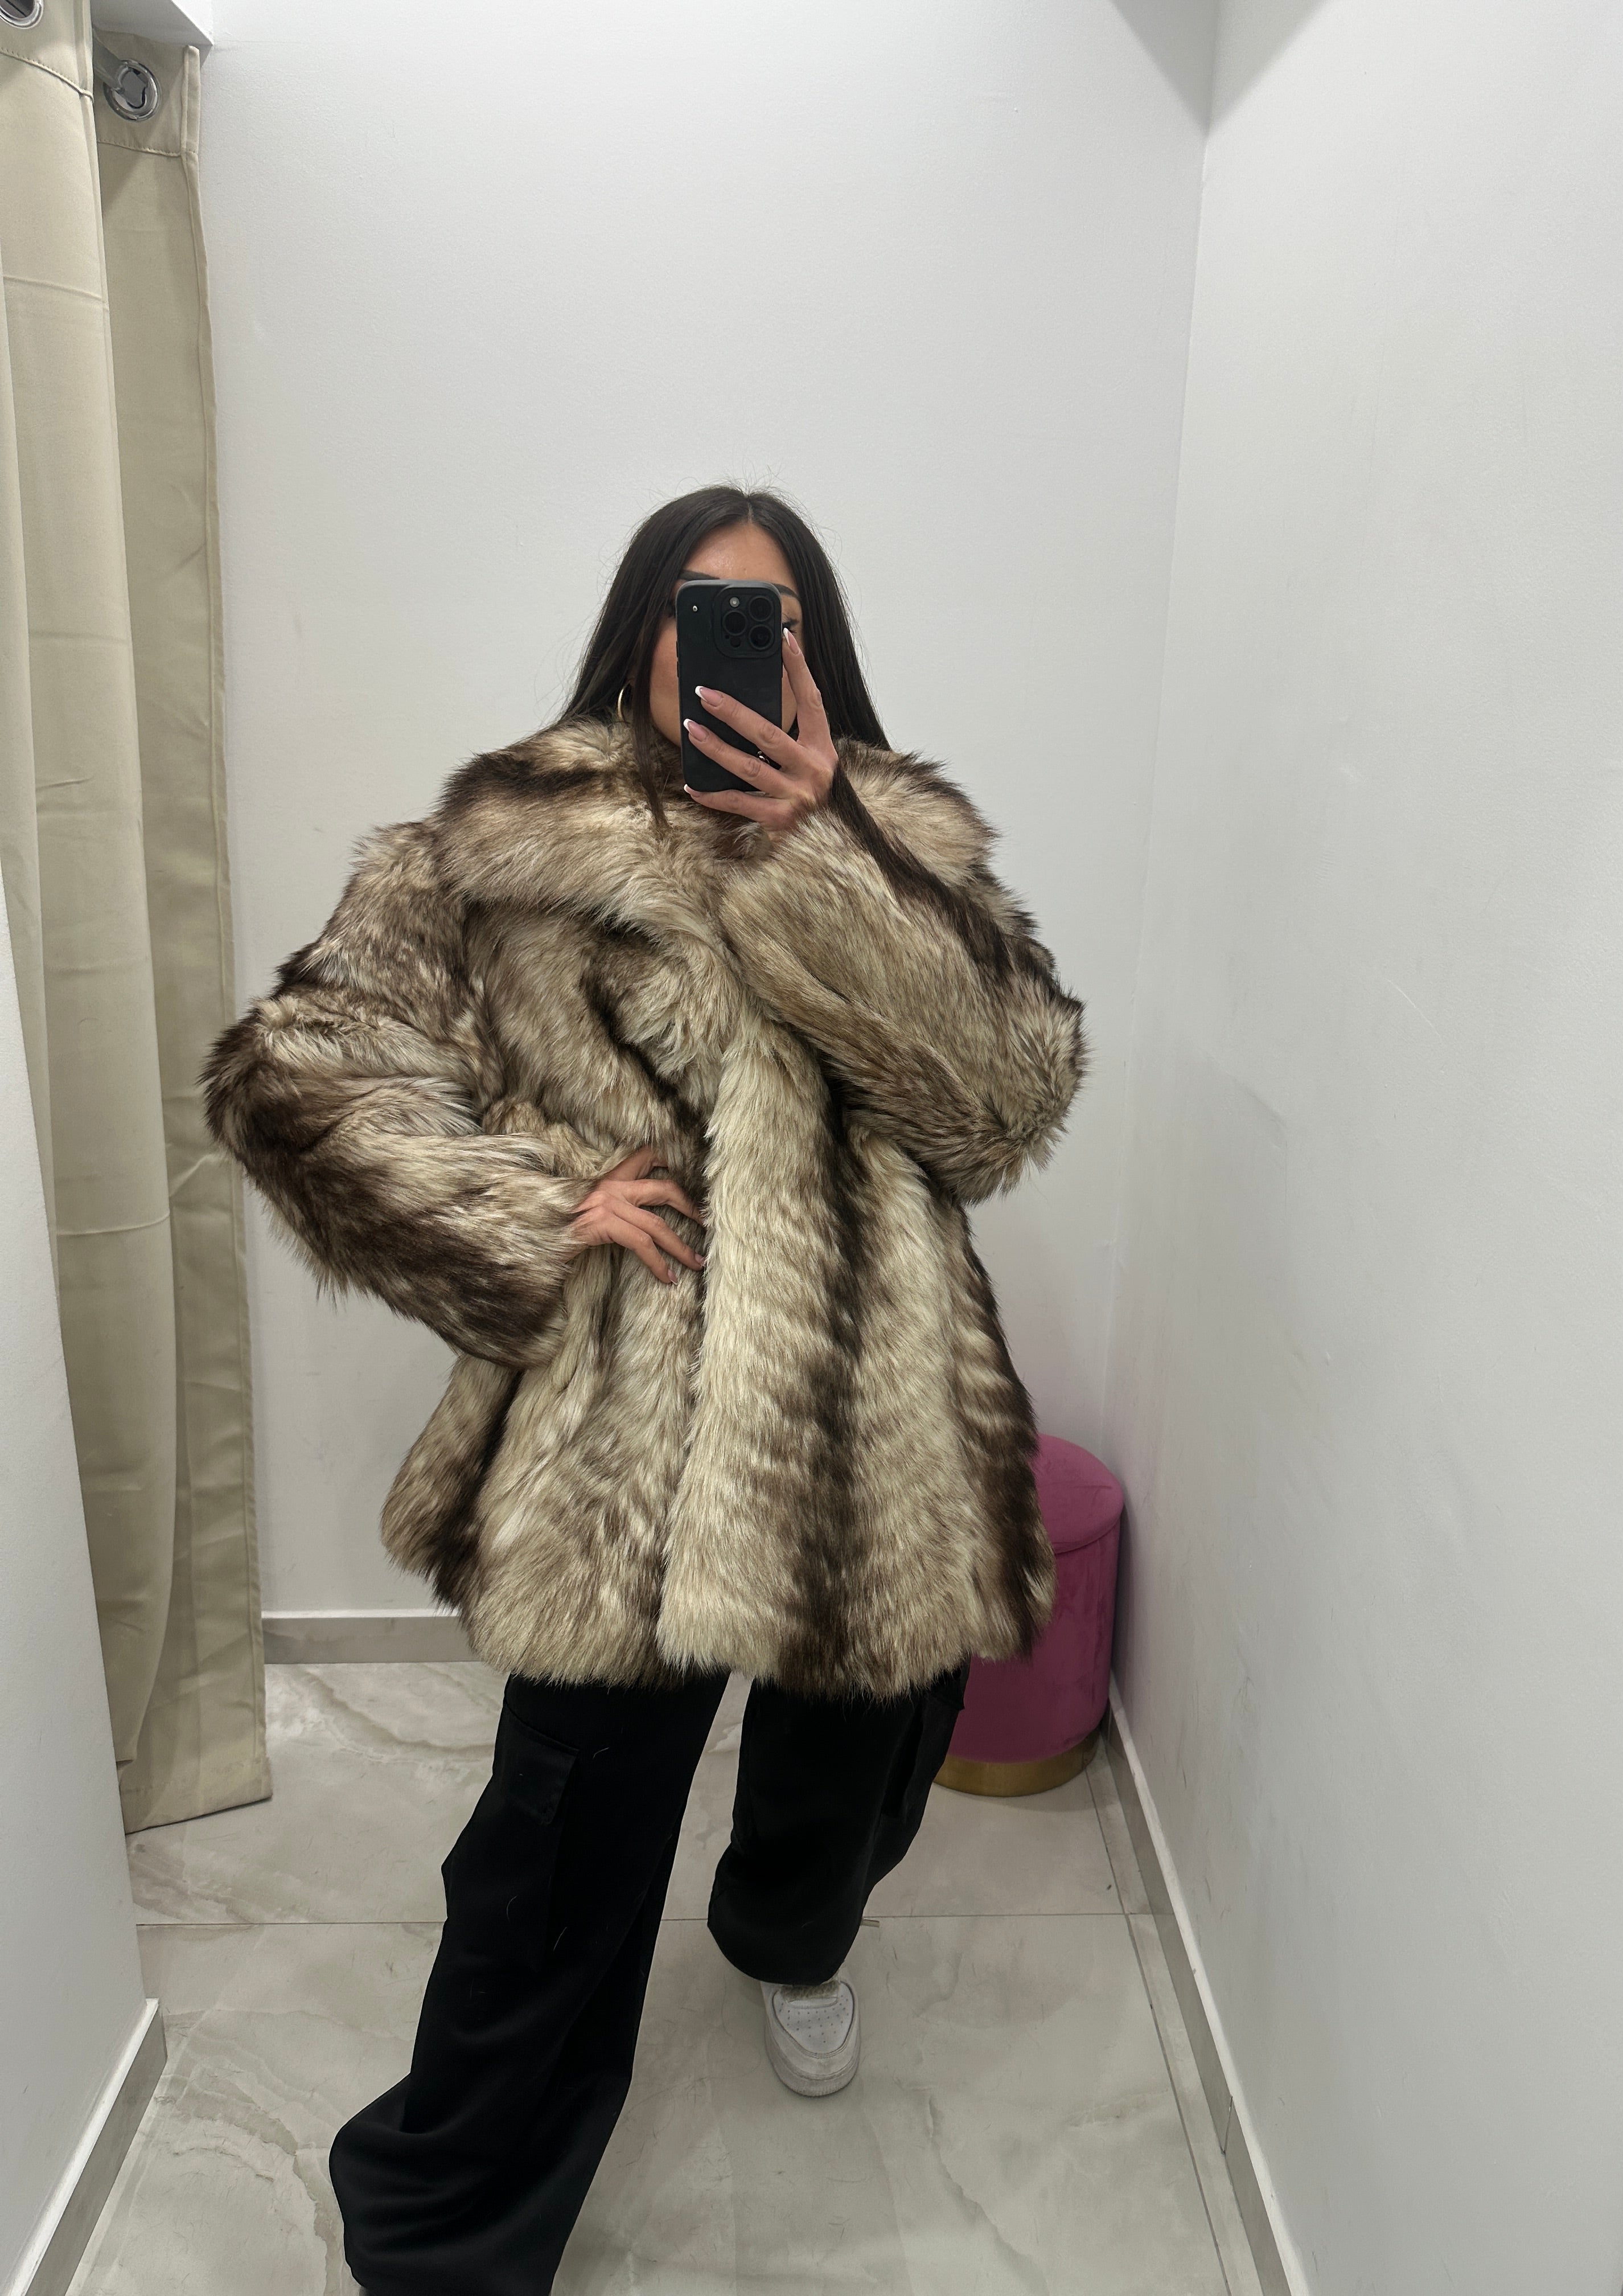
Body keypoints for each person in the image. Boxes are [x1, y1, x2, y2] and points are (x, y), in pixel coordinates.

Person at [203, 484, 1087, 2296]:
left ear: (814, 654)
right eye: (701, 610)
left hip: (868, 1420)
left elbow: (1005, 1108)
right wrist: (530, 1204)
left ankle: (788, 1936)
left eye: (773, 617)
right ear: (642, 636)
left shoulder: (904, 841)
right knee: (553, 1854)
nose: (733, 647)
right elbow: (297, 1073)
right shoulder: (498, 851)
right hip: (627, 1433)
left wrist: (828, 854)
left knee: (858, 1775)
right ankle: (443, 2235)